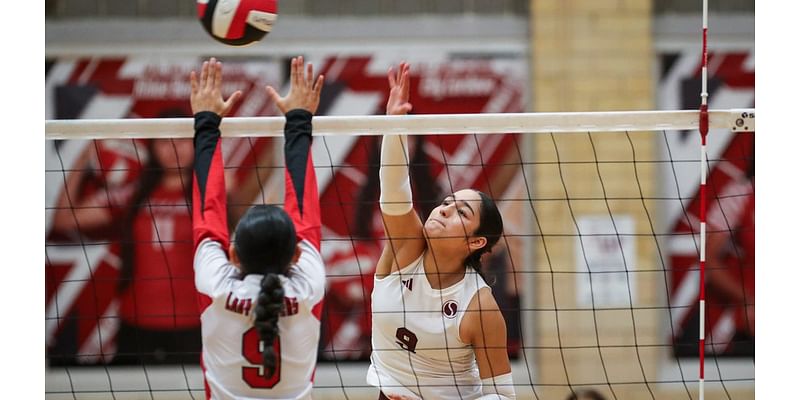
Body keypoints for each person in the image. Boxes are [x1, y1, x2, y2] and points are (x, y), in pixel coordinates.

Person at [366, 62, 516, 399]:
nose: (445, 208)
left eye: (461, 212)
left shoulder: (479, 306)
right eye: (447, 202)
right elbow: (393, 189)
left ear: (476, 241)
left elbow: (502, 395)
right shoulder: (407, 250)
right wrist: (394, 128)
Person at [191, 56, 325, 399]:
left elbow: (208, 213)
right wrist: (298, 120)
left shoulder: (217, 287)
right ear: (295, 254)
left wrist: (207, 123)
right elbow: (304, 211)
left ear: (233, 255)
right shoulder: (308, 287)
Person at [51, 119, 202, 364]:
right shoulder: (133, 194)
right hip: (137, 321)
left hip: (194, 321)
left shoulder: (209, 193)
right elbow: (64, 220)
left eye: (183, 139)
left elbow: (230, 185)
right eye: (165, 140)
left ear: (196, 144)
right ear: (152, 146)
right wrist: (83, 161)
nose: (174, 147)